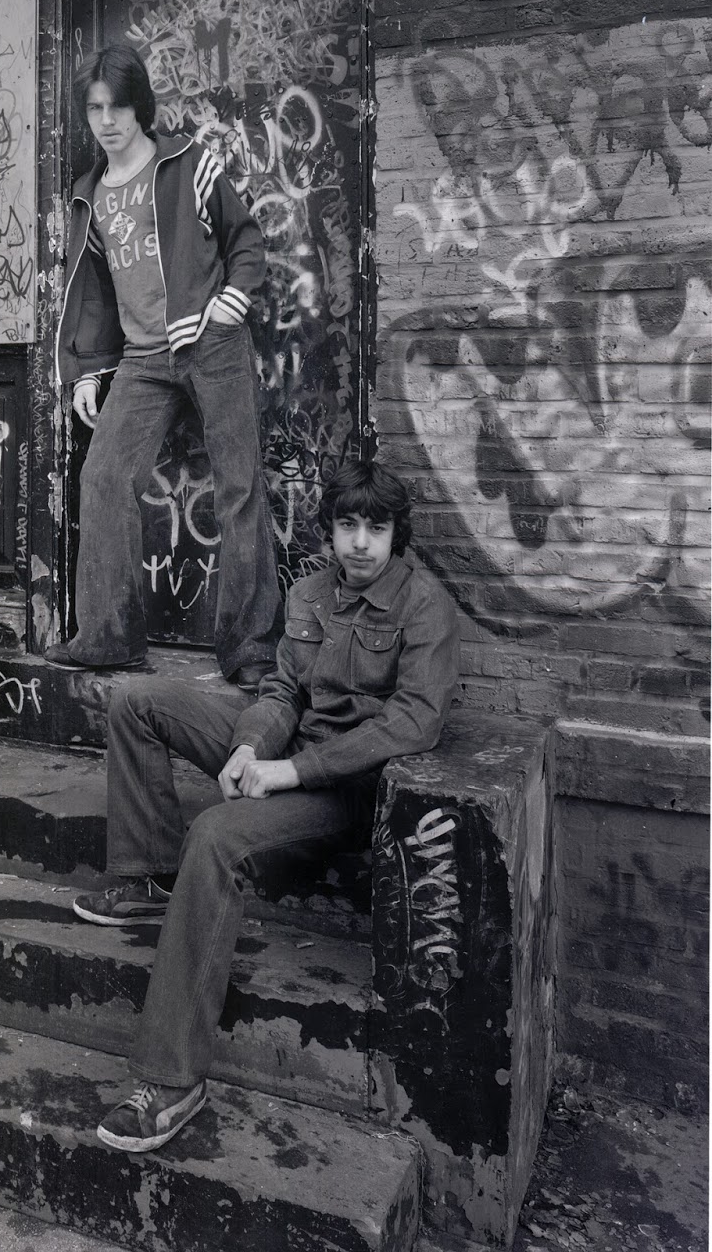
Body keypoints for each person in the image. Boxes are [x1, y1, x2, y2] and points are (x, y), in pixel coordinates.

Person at [74, 459, 460, 1152]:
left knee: (218, 834)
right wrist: (250, 749)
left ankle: (170, 1080)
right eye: (347, 526)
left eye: (376, 528)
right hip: (287, 755)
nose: (361, 543)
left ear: (397, 534)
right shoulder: (309, 593)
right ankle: (145, 874)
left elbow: (412, 725)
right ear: (330, 531)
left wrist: (289, 772)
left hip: (342, 793)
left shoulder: (425, 607)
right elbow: (282, 695)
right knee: (137, 700)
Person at [50, 42, 281, 689]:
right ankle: (109, 637)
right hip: (143, 360)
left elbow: (246, 240)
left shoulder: (187, 165)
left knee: (239, 487)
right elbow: (93, 295)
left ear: (140, 107)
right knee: (102, 477)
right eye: (95, 108)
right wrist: (89, 370)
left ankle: (250, 652)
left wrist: (231, 304)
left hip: (211, 344)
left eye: (118, 105)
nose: (106, 119)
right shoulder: (89, 195)